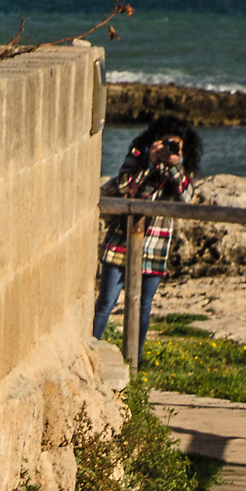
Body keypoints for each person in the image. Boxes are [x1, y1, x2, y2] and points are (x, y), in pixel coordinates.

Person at [92, 115, 202, 345]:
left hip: (156, 245)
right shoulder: (137, 156)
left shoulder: (182, 169)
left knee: (143, 306)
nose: (169, 149)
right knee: (106, 302)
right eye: (166, 143)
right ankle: (90, 347)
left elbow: (186, 198)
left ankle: (135, 359)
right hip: (121, 240)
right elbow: (124, 188)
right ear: (155, 140)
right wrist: (150, 162)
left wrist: (174, 167)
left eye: (175, 146)